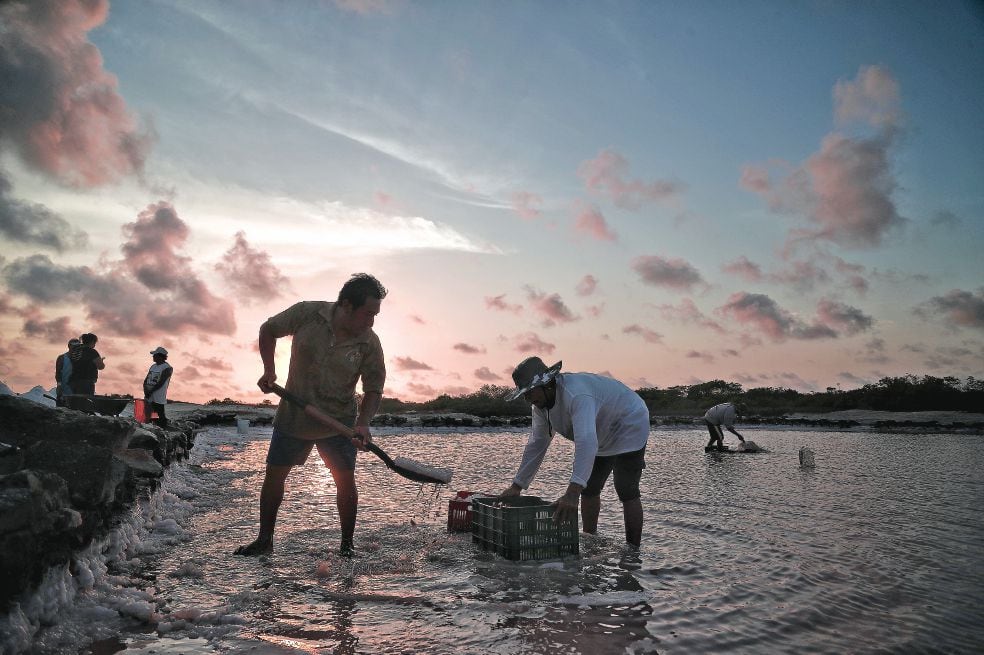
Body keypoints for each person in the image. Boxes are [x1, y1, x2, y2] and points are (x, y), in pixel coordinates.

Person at [235, 273, 387, 558]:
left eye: (375, 315)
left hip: (339, 422)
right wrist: (269, 369)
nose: (371, 322)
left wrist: (363, 423)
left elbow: (374, 388)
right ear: (345, 305)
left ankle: (346, 546)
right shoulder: (307, 313)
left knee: (345, 482)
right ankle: (264, 540)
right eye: (367, 314)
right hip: (294, 416)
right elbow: (268, 329)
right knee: (274, 478)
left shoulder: (369, 342)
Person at [499, 357, 650, 548]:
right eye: (523, 394)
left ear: (547, 384)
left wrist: (572, 492)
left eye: (529, 392)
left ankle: (633, 552)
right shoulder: (540, 406)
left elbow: (586, 441)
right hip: (600, 429)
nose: (527, 398)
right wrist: (517, 486)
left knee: (626, 489)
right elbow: (537, 443)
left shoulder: (576, 394)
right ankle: (590, 541)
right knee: (590, 487)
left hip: (629, 420)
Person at [143, 347, 174, 429]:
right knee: (149, 413)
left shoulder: (167, 368)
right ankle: (151, 427)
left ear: (160, 356)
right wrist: (145, 390)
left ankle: (163, 429)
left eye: (154, 355)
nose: (153, 357)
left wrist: (150, 391)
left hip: (158, 395)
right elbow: (146, 379)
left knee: (159, 413)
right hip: (149, 393)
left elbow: (161, 382)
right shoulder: (153, 366)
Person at [54, 338, 81, 406]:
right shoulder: (62, 358)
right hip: (64, 390)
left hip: (77, 392)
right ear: (69, 346)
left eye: (78, 347)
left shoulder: (81, 359)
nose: (76, 348)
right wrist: (59, 385)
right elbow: (58, 373)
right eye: (74, 346)